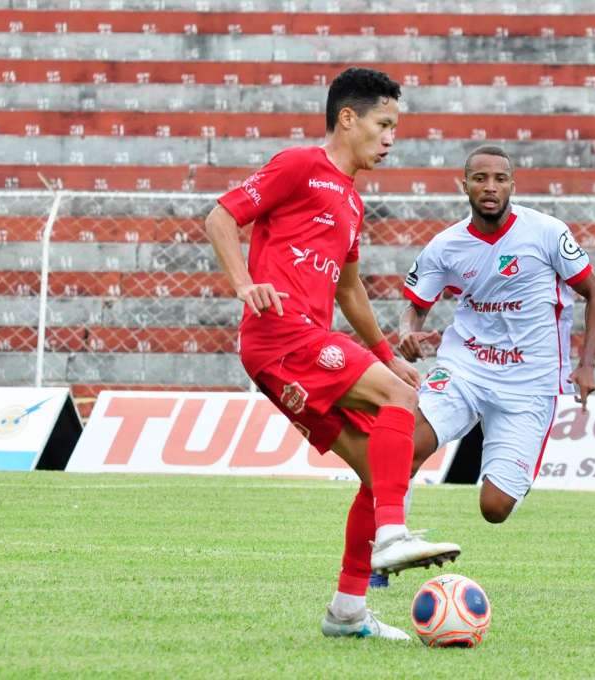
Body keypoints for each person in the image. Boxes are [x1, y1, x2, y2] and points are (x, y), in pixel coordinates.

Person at [204, 67, 459, 642]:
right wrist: (244, 283)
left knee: (380, 469)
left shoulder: (350, 200)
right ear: (348, 118)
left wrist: (384, 352)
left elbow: (347, 288)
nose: (391, 137)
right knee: (402, 402)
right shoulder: (299, 165)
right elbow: (221, 215)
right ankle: (393, 536)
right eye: (383, 123)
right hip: (281, 336)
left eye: (396, 126)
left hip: (298, 347)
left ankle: (346, 612)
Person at [400, 145, 595, 520]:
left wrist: (587, 365)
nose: (490, 187)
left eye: (499, 179)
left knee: (495, 509)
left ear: (512, 184)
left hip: (529, 380)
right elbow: (416, 306)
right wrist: (408, 332)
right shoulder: (446, 246)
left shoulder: (546, 233)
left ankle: (514, 472)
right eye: (480, 179)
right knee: (402, 450)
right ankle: (384, 549)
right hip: (465, 367)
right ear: (464, 186)